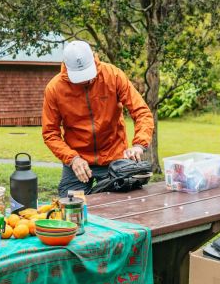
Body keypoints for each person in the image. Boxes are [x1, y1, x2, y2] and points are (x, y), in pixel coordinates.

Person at [42, 40, 155, 196]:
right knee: (71, 210)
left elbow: (141, 112)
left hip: (114, 156)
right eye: (78, 77)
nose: (84, 81)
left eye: (87, 75)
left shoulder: (113, 75)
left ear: (94, 60)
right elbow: (50, 133)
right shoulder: (54, 89)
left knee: (123, 206)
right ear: (67, 68)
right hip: (77, 160)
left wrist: (139, 145)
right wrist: (72, 159)